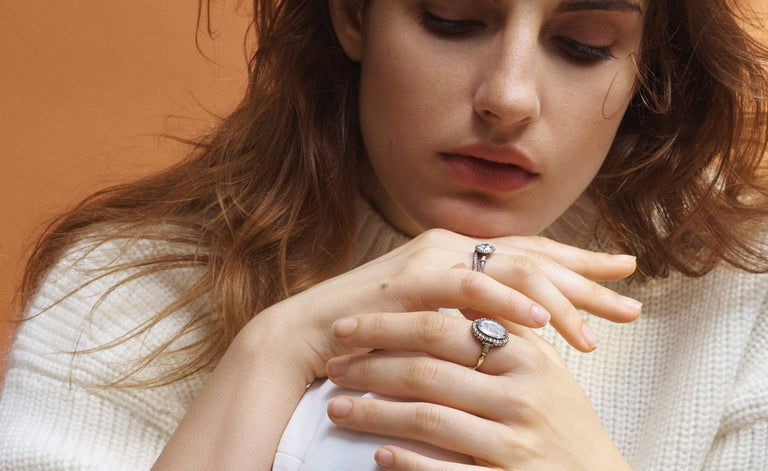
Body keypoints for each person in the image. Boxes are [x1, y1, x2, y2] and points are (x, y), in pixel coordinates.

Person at [1, 0, 767, 469]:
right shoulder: (128, 289)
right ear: (354, 12)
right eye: (453, 19)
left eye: (584, 44)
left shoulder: (741, 295)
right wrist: (270, 353)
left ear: (647, 64)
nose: (508, 96)